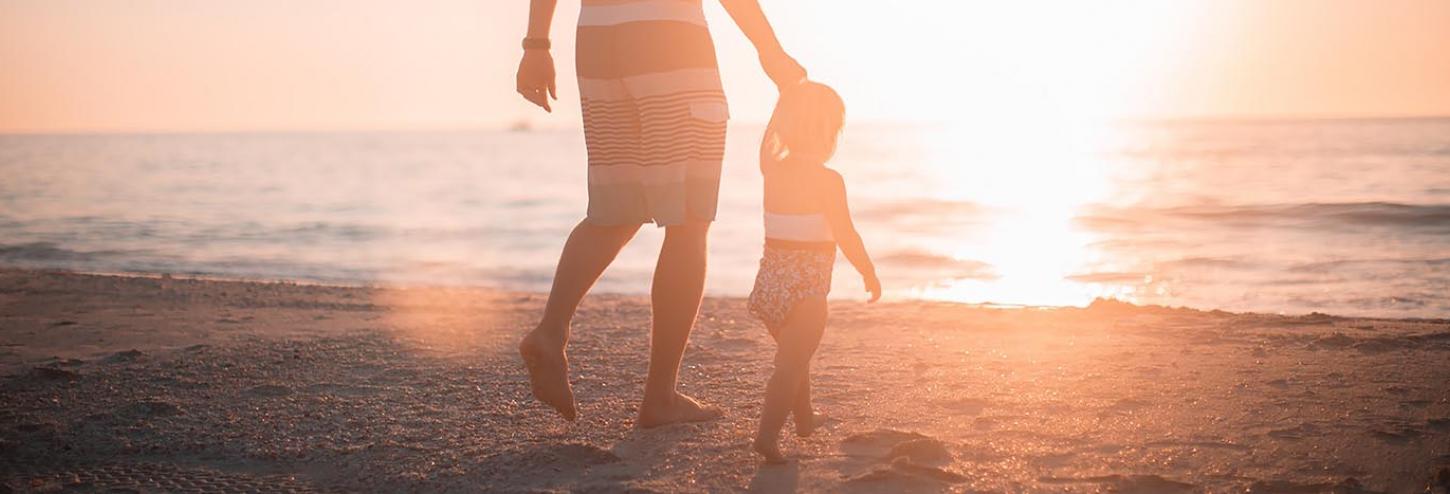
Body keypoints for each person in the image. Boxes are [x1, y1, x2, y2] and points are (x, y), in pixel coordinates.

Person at [513, 0, 807, 427]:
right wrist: (770, 50)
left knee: (615, 210)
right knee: (688, 222)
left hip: (599, 42)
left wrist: (536, 44)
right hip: (671, 43)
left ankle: (550, 331)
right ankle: (660, 397)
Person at [748, 81, 880, 463]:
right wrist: (868, 271)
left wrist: (782, 99)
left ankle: (804, 419)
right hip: (806, 289)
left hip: (770, 286)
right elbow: (845, 233)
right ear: (829, 135)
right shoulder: (828, 180)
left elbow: (768, 138)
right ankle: (767, 435)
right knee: (790, 364)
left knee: (795, 356)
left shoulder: (772, 169)